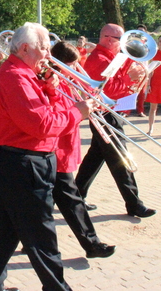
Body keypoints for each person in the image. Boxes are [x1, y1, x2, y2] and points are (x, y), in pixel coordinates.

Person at [0, 23, 94, 291]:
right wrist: (77, 113)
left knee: (4, 234)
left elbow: (43, 113)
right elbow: (41, 125)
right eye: (43, 48)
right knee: (41, 236)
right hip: (22, 163)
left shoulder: (26, 74)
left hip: (22, 161)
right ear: (25, 48)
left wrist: (50, 89)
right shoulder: (16, 77)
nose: (48, 54)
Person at [75, 23, 156, 218]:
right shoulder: (99, 59)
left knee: (95, 157)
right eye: (121, 40)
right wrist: (130, 79)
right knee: (120, 158)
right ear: (108, 39)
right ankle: (134, 204)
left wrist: (136, 74)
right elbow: (106, 91)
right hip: (104, 113)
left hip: (109, 112)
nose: (123, 45)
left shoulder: (114, 56)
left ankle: (75, 195)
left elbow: (119, 85)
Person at [50, 41, 115, 259]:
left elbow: (90, 94)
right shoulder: (54, 81)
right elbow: (59, 113)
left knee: (40, 207)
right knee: (71, 201)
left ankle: (30, 242)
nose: (77, 69)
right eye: (72, 65)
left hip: (64, 147)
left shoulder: (69, 79)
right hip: (55, 150)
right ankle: (92, 244)